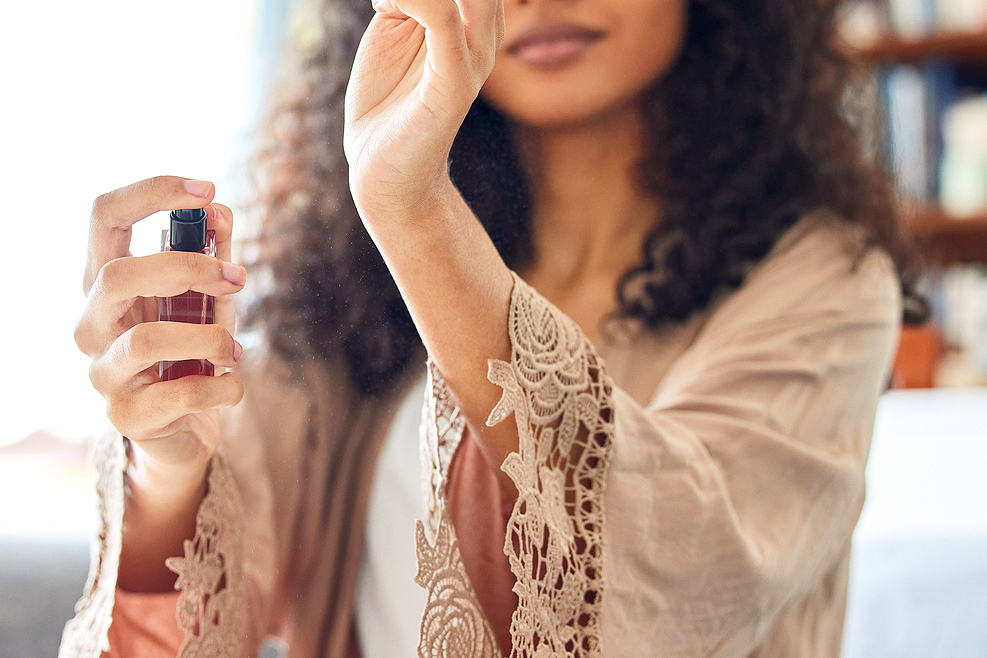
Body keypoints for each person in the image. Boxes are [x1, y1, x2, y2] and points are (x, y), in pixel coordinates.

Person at [62, 0, 912, 656]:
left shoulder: (820, 281)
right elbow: (193, 608)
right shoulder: (350, 280)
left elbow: (672, 585)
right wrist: (169, 462)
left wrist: (416, 209)